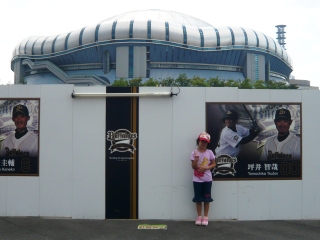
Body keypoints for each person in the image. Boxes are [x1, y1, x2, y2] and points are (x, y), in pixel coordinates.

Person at [190, 132, 216, 226]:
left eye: (205, 142)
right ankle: (199, 217)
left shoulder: (209, 152)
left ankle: (205, 217)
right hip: (197, 179)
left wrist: (206, 168)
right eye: (202, 141)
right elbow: (193, 167)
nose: (203, 143)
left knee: (206, 198)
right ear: (198, 141)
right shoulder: (194, 152)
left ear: (207, 143)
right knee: (198, 199)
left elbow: (214, 164)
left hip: (207, 179)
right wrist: (196, 160)